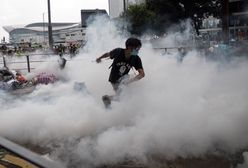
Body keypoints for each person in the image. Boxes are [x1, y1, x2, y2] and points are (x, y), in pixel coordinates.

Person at [96, 37, 145, 108]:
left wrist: (130, 81)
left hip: (125, 78)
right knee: (121, 97)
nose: (138, 51)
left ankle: (112, 101)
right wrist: (99, 58)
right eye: (137, 49)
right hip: (114, 78)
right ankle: (107, 99)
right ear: (130, 47)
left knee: (129, 95)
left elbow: (142, 74)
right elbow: (108, 54)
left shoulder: (136, 58)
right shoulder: (118, 51)